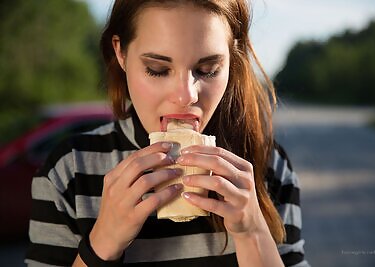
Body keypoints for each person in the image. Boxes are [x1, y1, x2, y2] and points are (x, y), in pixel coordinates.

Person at [26, 0, 309, 266]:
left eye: (208, 70)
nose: (186, 96)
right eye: (157, 69)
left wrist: (253, 233)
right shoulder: (67, 172)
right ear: (121, 53)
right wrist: (102, 243)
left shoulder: (268, 166)